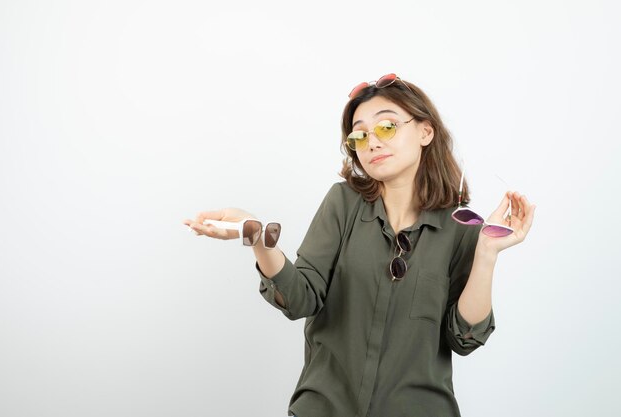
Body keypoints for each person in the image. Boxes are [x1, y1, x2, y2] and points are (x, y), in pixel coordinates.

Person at [183, 73, 536, 417]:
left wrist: (487, 253)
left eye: (386, 127)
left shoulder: (461, 227)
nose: (372, 143)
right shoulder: (342, 203)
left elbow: (465, 339)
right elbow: (299, 298)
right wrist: (259, 237)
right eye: (359, 135)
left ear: (425, 131)